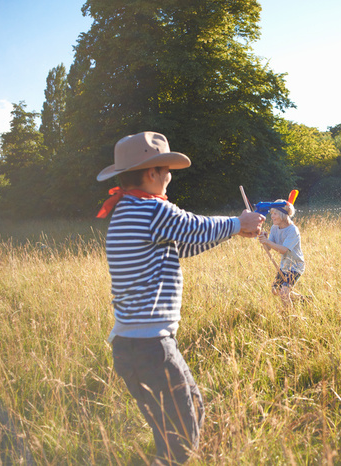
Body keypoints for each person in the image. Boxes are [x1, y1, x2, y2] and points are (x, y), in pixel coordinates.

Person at [96, 131, 264, 465]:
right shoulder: (151, 211)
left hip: (134, 345)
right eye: (166, 169)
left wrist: (234, 231)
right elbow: (192, 226)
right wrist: (237, 222)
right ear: (151, 173)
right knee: (181, 440)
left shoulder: (128, 212)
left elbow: (184, 244)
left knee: (192, 410)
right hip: (150, 347)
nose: (170, 176)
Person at [257, 199, 306, 306]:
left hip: (295, 266)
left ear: (283, 215)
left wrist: (268, 242)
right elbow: (268, 248)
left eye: (275, 214)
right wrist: (264, 240)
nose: (272, 216)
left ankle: (290, 317)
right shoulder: (274, 228)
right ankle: (303, 300)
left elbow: (284, 249)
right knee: (275, 291)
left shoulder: (293, 230)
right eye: (271, 213)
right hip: (284, 266)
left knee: (284, 293)